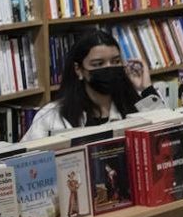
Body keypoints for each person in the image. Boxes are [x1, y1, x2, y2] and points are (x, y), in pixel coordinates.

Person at [22, 30, 165, 140]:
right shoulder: (52, 115)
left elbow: (167, 135)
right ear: (79, 70)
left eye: (115, 61)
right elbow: (25, 162)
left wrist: (146, 88)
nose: (108, 68)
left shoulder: (135, 104)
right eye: (98, 64)